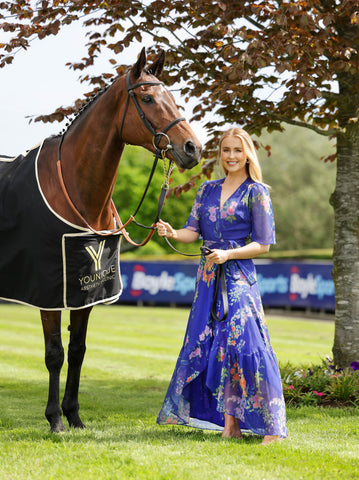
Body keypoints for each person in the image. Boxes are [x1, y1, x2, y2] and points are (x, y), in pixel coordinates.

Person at [156, 127, 287, 445]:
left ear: (247, 155)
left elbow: (263, 244)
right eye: (226, 150)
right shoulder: (206, 190)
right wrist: (173, 233)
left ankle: (272, 426)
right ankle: (230, 425)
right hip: (208, 277)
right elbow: (193, 231)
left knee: (246, 343)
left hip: (239, 276)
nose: (231, 156)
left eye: (237, 151)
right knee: (216, 346)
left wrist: (229, 253)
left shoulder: (257, 192)